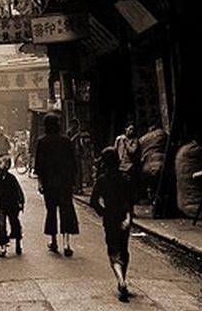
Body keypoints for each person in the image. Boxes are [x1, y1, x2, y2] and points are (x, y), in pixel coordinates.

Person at [90, 146, 135, 303]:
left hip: (110, 219)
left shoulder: (102, 181)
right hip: (124, 218)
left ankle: (121, 281)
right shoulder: (126, 179)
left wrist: (104, 213)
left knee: (113, 252)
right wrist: (128, 219)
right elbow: (130, 201)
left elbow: (93, 202)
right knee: (124, 250)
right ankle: (123, 278)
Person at [33, 111, 79, 256]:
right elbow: (73, 163)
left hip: (49, 183)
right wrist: (73, 182)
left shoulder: (42, 141)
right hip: (65, 182)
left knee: (51, 211)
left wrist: (40, 183)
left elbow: (39, 166)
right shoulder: (66, 141)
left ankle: (53, 241)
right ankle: (67, 243)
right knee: (66, 211)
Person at [0, 154, 25, 257]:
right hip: (1, 204)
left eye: (0, 163)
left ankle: (18, 240)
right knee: (1, 226)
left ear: (6, 165)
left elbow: (18, 191)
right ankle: (3, 245)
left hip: (12, 205)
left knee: (14, 222)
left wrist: (21, 202)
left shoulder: (12, 179)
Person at [114, 121, 142, 205]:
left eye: (133, 129)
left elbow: (133, 151)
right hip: (120, 165)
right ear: (126, 129)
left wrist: (126, 144)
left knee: (129, 188)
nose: (131, 131)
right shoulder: (119, 139)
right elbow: (115, 150)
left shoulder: (135, 141)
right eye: (130, 129)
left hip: (130, 166)